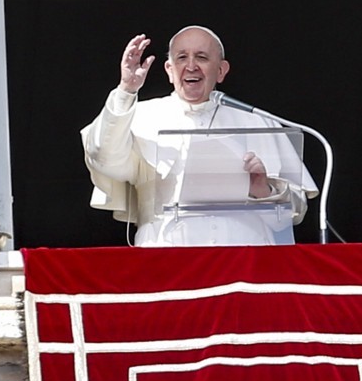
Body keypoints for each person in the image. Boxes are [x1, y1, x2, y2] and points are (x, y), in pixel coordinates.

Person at [81, 25, 318, 246]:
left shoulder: (258, 121)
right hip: (165, 257)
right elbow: (104, 159)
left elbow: (294, 214)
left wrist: (262, 189)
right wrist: (126, 90)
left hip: (243, 258)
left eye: (202, 57)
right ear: (169, 70)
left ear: (221, 70)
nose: (191, 66)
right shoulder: (139, 116)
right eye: (182, 57)